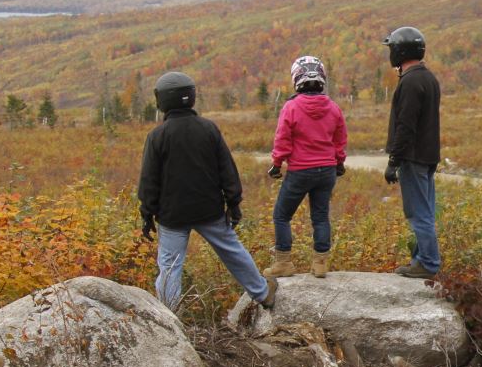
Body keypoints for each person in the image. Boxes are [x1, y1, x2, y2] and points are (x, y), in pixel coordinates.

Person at [138, 71, 276, 311]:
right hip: (209, 209)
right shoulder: (208, 129)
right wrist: (234, 203)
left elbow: (149, 180)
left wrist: (147, 213)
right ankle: (263, 293)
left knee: (170, 266)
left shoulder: (157, 136)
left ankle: (169, 317)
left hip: (172, 215)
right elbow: (227, 169)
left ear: (161, 101)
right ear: (191, 97)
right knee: (233, 251)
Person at [265, 55, 347, 279]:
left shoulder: (291, 107)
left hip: (300, 171)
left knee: (282, 215)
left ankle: (283, 263)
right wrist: (339, 162)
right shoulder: (333, 108)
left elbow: (283, 139)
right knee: (320, 217)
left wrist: (276, 164)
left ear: (297, 78)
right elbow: (340, 139)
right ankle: (320, 264)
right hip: (327, 170)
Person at [382, 26, 441, 278]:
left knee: (418, 213)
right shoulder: (428, 78)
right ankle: (420, 259)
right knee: (425, 210)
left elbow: (405, 125)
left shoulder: (411, 81)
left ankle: (428, 263)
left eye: (392, 48)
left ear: (400, 52)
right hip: (427, 156)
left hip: (413, 157)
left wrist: (393, 161)